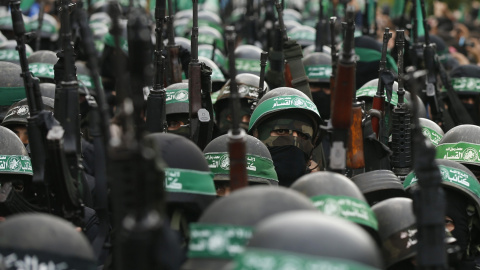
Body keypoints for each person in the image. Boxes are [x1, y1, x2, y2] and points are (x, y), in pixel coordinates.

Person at [249, 87, 322, 186]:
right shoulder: (234, 186)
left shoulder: (320, 192)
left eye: (302, 136)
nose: (294, 142)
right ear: (256, 135)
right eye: (281, 131)